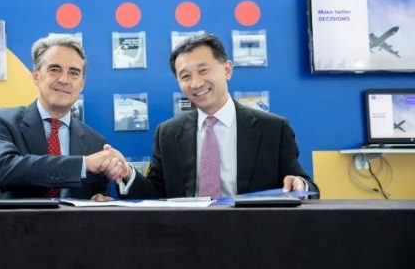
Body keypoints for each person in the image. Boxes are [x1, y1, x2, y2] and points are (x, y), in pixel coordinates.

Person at [102, 33, 319, 199]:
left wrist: (299, 184)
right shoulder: (167, 133)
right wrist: (127, 173)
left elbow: (308, 187)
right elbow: (155, 194)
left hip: (251, 234)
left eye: (203, 70)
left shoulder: (273, 129)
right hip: (185, 237)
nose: (196, 83)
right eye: (185, 76)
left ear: (227, 70)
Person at [0, 34, 118, 202]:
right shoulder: (0, 121)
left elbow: (97, 195)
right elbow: (3, 170)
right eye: (54, 69)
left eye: (74, 73)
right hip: (16, 219)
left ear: (82, 84)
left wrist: (97, 200)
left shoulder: (96, 142)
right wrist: (83, 164)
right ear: (36, 76)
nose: (64, 80)